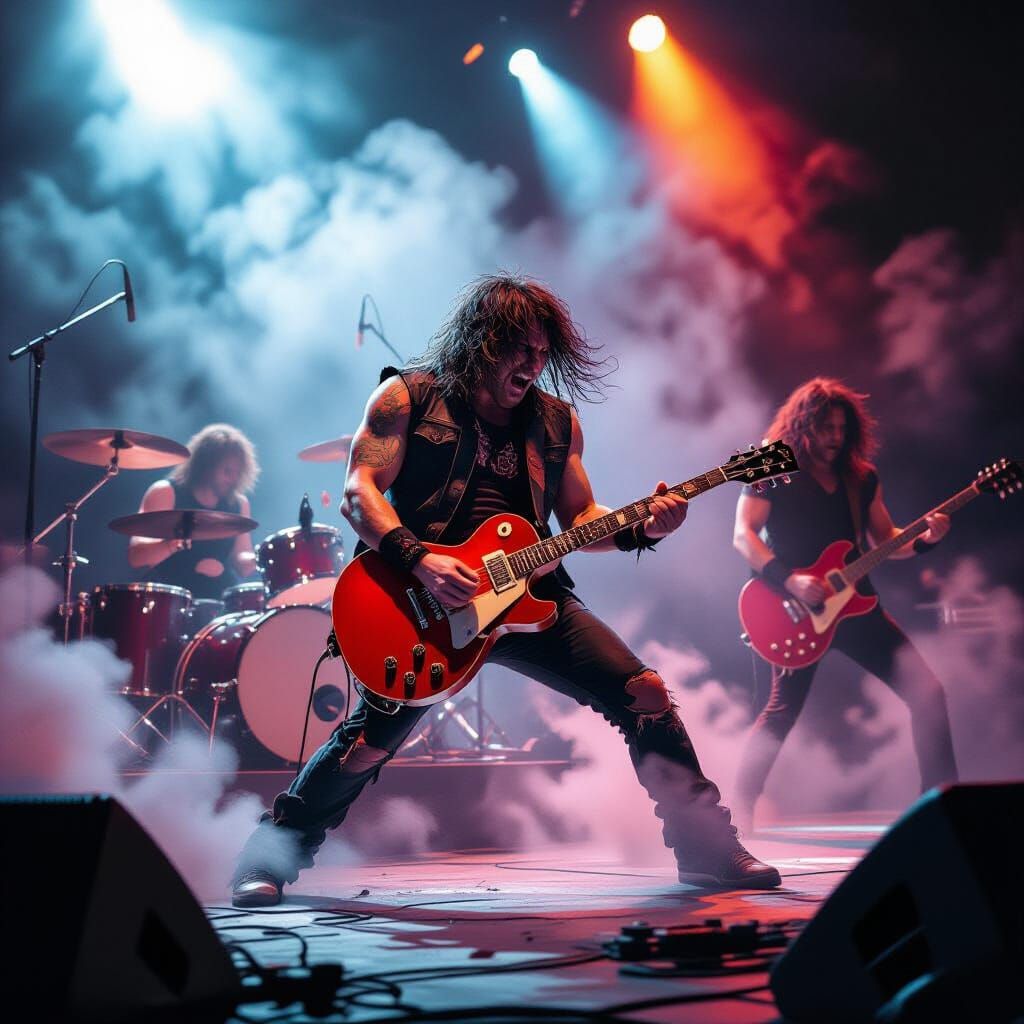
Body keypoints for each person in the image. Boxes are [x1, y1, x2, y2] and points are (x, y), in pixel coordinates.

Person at [231, 274, 781, 907]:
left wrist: (641, 528)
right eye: (520, 348)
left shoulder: (556, 422)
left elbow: (581, 520)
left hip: (531, 599)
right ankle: (267, 857)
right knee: (364, 745)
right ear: (481, 340)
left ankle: (707, 850)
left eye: (543, 352)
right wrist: (421, 560)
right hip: (421, 601)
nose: (533, 363)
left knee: (646, 692)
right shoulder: (407, 396)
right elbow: (360, 493)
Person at [732, 378, 959, 829]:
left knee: (929, 692)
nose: (835, 437)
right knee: (781, 713)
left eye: (841, 428)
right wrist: (790, 580)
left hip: (856, 608)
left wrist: (927, 539)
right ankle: (738, 808)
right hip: (793, 610)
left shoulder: (861, 478)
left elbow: (887, 540)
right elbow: (743, 536)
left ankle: (942, 802)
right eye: (825, 428)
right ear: (802, 426)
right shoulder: (772, 470)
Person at [127, 423, 260, 600]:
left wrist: (263, 557)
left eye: (238, 473)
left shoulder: (239, 504)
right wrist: (173, 545)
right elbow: (137, 556)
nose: (232, 479)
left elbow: (241, 561)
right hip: (169, 599)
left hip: (220, 600)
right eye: (227, 471)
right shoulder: (165, 492)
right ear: (206, 465)